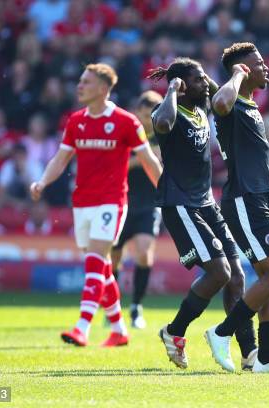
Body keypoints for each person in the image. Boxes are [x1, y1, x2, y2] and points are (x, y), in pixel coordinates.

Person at [148, 58, 269, 371]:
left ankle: (249, 354)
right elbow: (162, 125)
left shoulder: (200, 110)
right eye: (194, 81)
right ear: (181, 86)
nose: (202, 84)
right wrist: (171, 88)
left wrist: (207, 76)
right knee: (219, 272)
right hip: (179, 203)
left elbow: (215, 91)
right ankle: (174, 331)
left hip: (206, 202)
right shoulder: (169, 111)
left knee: (236, 276)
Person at [30, 63, 162, 347]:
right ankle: (118, 330)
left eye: (86, 82)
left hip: (112, 202)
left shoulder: (127, 122)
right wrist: (42, 181)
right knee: (101, 267)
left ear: (103, 89)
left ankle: (82, 327)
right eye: (80, 81)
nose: (79, 86)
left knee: (94, 263)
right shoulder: (76, 121)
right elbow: (60, 159)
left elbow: (150, 161)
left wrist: (167, 192)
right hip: (83, 202)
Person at [205, 42, 269, 374]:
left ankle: (266, 359)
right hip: (245, 200)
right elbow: (218, 101)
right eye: (258, 63)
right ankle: (221, 333)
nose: (266, 67)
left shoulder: (249, 105)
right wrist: (235, 74)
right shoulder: (230, 103)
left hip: (263, 198)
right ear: (243, 69)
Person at [110, 90, 163, 330]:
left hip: (149, 204)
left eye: (151, 115)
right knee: (114, 258)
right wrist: (146, 157)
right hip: (121, 201)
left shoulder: (165, 137)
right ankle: (114, 308)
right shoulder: (126, 135)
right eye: (142, 115)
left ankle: (136, 307)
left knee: (143, 253)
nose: (146, 120)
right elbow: (116, 165)